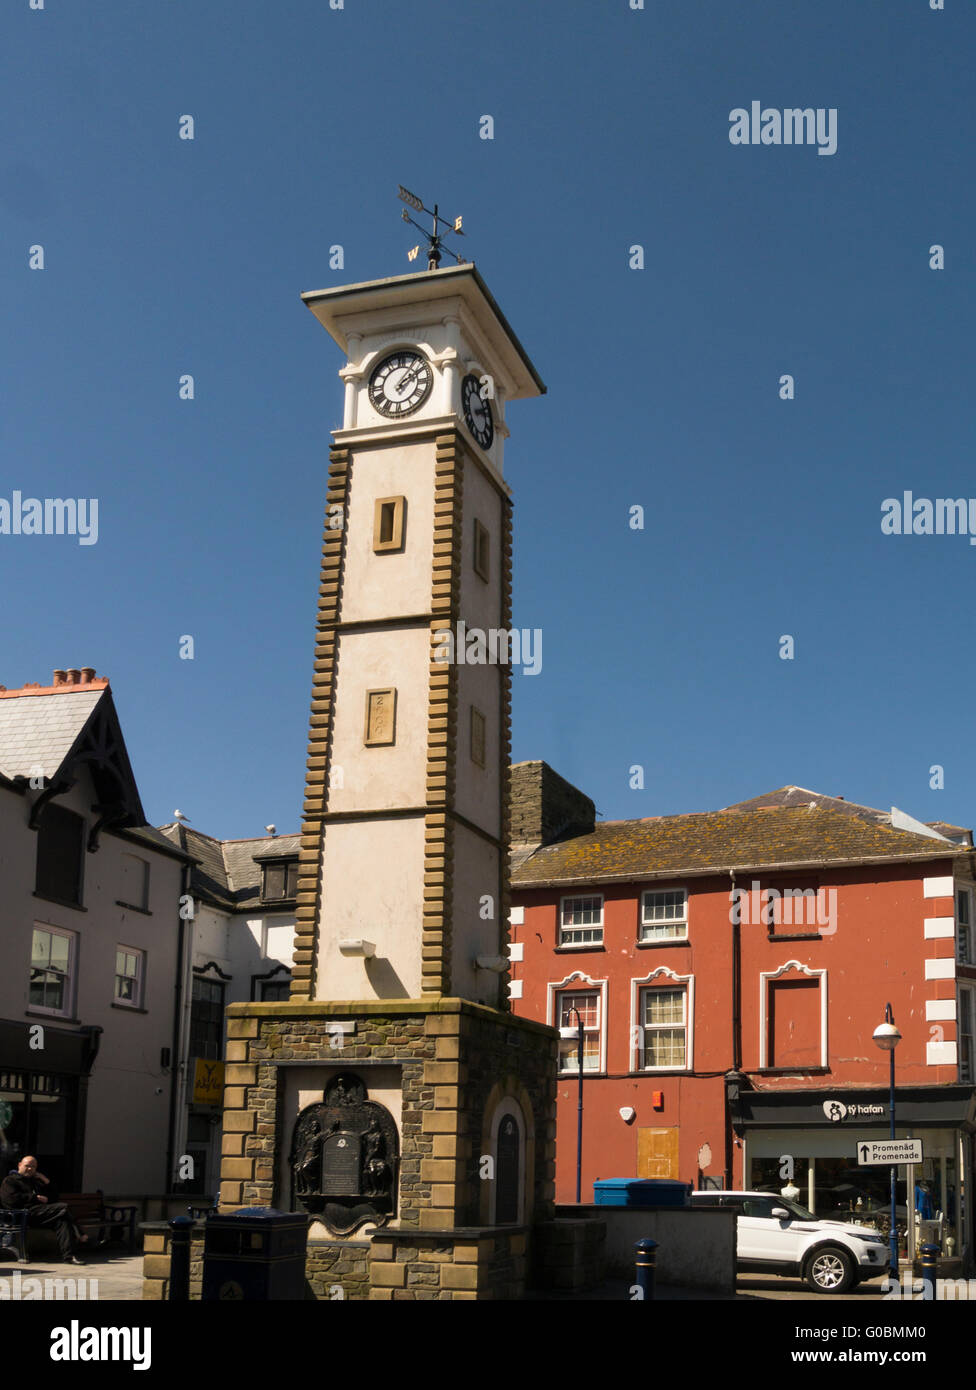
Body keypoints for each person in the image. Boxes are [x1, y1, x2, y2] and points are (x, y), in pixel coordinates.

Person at [0, 1155, 88, 1264]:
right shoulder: (10, 1180)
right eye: (27, 1166)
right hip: (22, 1214)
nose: (30, 1169)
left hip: (39, 1214)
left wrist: (46, 1181)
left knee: (62, 1220)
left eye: (33, 1167)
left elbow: (54, 1198)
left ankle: (69, 1257)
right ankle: (80, 1232)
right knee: (64, 1207)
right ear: (19, 1165)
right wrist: (34, 1197)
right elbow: (9, 1200)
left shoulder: (35, 1181)